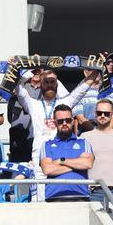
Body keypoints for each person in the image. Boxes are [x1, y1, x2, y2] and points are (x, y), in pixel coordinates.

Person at [15, 68, 99, 201]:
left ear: (57, 84)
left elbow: (84, 86)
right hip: (40, 158)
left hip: (64, 152)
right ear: (40, 84)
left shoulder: (65, 102)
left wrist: (97, 68)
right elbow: (18, 89)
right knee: (40, 202)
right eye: (46, 82)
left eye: (52, 82)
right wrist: (28, 74)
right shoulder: (33, 104)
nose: (49, 84)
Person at [8, 69, 68, 162]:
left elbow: (66, 96)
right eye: (33, 68)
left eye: (39, 68)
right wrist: (28, 73)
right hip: (20, 141)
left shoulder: (49, 88)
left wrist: (49, 77)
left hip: (42, 142)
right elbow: (14, 83)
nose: (36, 72)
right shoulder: (22, 85)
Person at [40, 104, 94, 202]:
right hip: (54, 197)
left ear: (73, 121)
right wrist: (76, 166)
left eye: (68, 120)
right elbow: (47, 170)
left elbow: (88, 163)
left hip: (81, 196)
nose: (64, 123)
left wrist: (61, 160)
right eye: (60, 121)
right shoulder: (46, 145)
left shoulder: (83, 142)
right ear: (55, 123)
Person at [72, 68, 113, 135]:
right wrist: (96, 133)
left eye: (99, 70)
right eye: (93, 70)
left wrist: (106, 134)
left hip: (108, 134)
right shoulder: (78, 92)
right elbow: (80, 118)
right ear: (85, 73)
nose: (97, 73)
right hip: (86, 134)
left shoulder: (111, 91)